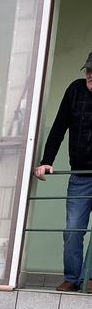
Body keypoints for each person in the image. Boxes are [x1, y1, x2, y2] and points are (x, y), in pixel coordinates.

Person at [34, 51, 92, 292]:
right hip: (80, 176)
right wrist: (46, 160)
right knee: (72, 230)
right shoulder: (75, 90)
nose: (90, 76)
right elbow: (58, 127)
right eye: (89, 71)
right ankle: (73, 277)